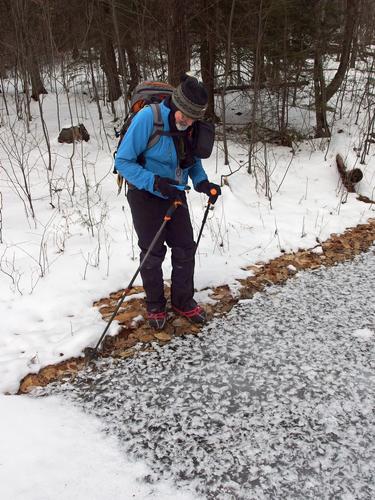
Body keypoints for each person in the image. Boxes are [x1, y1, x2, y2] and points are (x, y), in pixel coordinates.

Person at [115, 74, 221, 330]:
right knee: (153, 252)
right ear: (175, 104)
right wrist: (154, 182)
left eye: (193, 117)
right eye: (183, 114)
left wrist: (202, 182)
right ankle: (154, 305)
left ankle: (183, 301)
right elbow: (123, 161)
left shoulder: (190, 126)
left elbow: (191, 158)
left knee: (185, 248)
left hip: (174, 193)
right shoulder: (148, 119)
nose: (186, 121)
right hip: (144, 192)